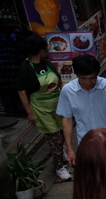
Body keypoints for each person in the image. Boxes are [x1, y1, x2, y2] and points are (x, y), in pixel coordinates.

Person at [16, 35, 70, 181]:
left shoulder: (46, 63)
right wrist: (30, 113)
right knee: (55, 138)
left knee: (63, 132)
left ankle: (61, 154)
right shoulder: (26, 68)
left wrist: (64, 87)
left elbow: (58, 79)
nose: (48, 50)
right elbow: (22, 92)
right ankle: (59, 167)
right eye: (46, 48)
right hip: (42, 108)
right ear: (41, 50)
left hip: (57, 104)